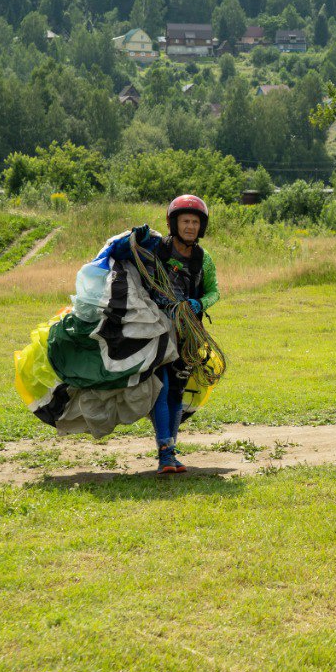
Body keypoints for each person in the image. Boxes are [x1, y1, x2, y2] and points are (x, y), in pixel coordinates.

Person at [110, 194, 220, 474]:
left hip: (187, 333)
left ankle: (170, 452)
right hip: (155, 331)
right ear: (174, 223)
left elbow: (213, 291)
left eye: (195, 222)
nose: (190, 227)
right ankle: (165, 454)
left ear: (201, 227)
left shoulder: (203, 259)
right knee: (161, 388)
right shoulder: (157, 248)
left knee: (178, 392)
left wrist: (199, 304)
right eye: (185, 221)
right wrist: (134, 237)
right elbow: (120, 252)